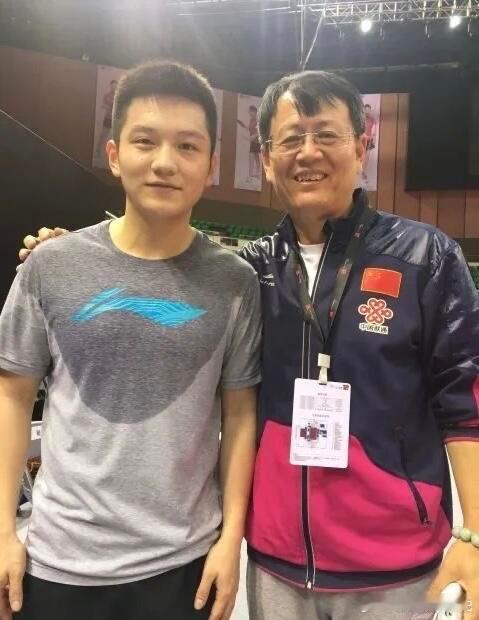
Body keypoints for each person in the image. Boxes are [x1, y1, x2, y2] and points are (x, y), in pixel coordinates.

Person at [17, 70, 479, 620]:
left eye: (326, 134)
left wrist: (474, 534)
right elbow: (153, 274)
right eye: (291, 138)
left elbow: (465, 400)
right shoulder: (244, 273)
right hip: (276, 563)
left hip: (395, 565)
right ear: (266, 159)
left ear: (362, 146)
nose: (308, 152)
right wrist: (65, 255)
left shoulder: (426, 257)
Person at [0, 60, 261, 620]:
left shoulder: (234, 282)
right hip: (58, 563)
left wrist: (230, 540)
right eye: (146, 141)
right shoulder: (51, 265)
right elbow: (12, 397)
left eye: (187, 146)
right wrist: (2, 533)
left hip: (184, 567)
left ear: (211, 165)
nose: (165, 162)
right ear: (115, 154)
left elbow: (240, 416)